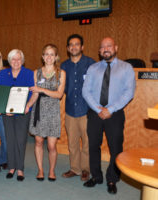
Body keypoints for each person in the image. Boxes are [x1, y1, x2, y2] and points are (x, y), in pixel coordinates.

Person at [82, 37, 136, 194]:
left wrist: (110, 109)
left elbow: (129, 92)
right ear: (99, 51)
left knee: (116, 147)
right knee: (93, 146)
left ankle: (112, 179)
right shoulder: (93, 68)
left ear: (116, 48)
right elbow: (86, 90)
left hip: (115, 114)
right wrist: (97, 109)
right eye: (102, 47)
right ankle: (96, 176)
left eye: (109, 46)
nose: (106, 48)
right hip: (94, 113)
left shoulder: (126, 68)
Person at [25, 44, 66, 182]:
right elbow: (35, 94)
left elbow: (59, 95)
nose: (49, 57)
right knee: (38, 141)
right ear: (42, 57)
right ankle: (41, 170)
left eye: (52, 54)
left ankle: (52, 170)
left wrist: (42, 90)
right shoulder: (36, 72)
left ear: (56, 57)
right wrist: (28, 106)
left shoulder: (61, 73)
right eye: (46, 54)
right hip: (39, 110)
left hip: (53, 111)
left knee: (51, 145)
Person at [61, 34, 95, 181]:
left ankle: (86, 169)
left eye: (77, 44)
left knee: (87, 142)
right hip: (70, 110)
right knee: (72, 143)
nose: (74, 47)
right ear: (68, 48)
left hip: (87, 110)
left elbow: (96, 86)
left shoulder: (91, 63)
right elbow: (62, 88)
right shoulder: (63, 66)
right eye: (71, 44)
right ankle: (75, 169)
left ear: (82, 47)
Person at [0, 49, 34, 181]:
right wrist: (1, 108)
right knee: (9, 139)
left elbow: (33, 92)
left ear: (22, 61)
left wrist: (28, 106)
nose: (16, 61)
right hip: (7, 112)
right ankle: (11, 166)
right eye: (13, 59)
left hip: (23, 112)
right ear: (9, 61)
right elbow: (0, 92)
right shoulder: (3, 73)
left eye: (19, 59)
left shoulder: (29, 73)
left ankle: (20, 168)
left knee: (20, 140)